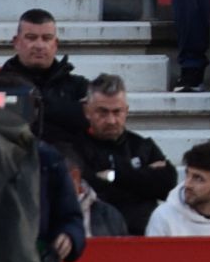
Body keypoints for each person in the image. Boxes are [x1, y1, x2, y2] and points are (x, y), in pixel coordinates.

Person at [72, 76, 178, 236]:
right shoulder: (74, 147)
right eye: (102, 112)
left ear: (126, 111)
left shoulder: (142, 145)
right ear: (87, 111)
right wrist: (142, 179)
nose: (111, 120)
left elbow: (167, 184)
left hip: (144, 238)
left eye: (117, 112)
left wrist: (113, 175)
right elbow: (90, 187)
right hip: (96, 239)